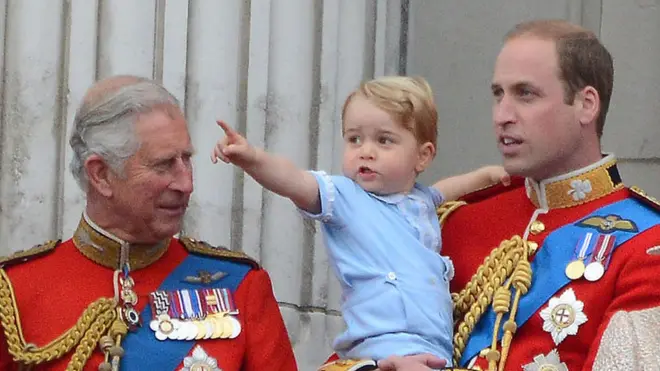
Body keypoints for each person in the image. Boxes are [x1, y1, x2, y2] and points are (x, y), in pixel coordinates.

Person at [403, 19, 660, 371]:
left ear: (586, 104)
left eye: (526, 94)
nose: (502, 116)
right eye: (498, 94)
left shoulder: (646, 247)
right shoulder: (453, 223)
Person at [0, 75, 298, 370]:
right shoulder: (15, 292)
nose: (186, 183)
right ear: (101, 174)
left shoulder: (240, 286)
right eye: (163, 164)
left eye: (187, 159)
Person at [211, 75, 509, 369]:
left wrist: (487, 177)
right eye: (354, 139)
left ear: (422, 156)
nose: (366, 151)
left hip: (434, 350)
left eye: (384, 140)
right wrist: (251, 158)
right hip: (382, 348)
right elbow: (293, 180)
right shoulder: (344, 196)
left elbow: (447, 189)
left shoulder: (422, 201)